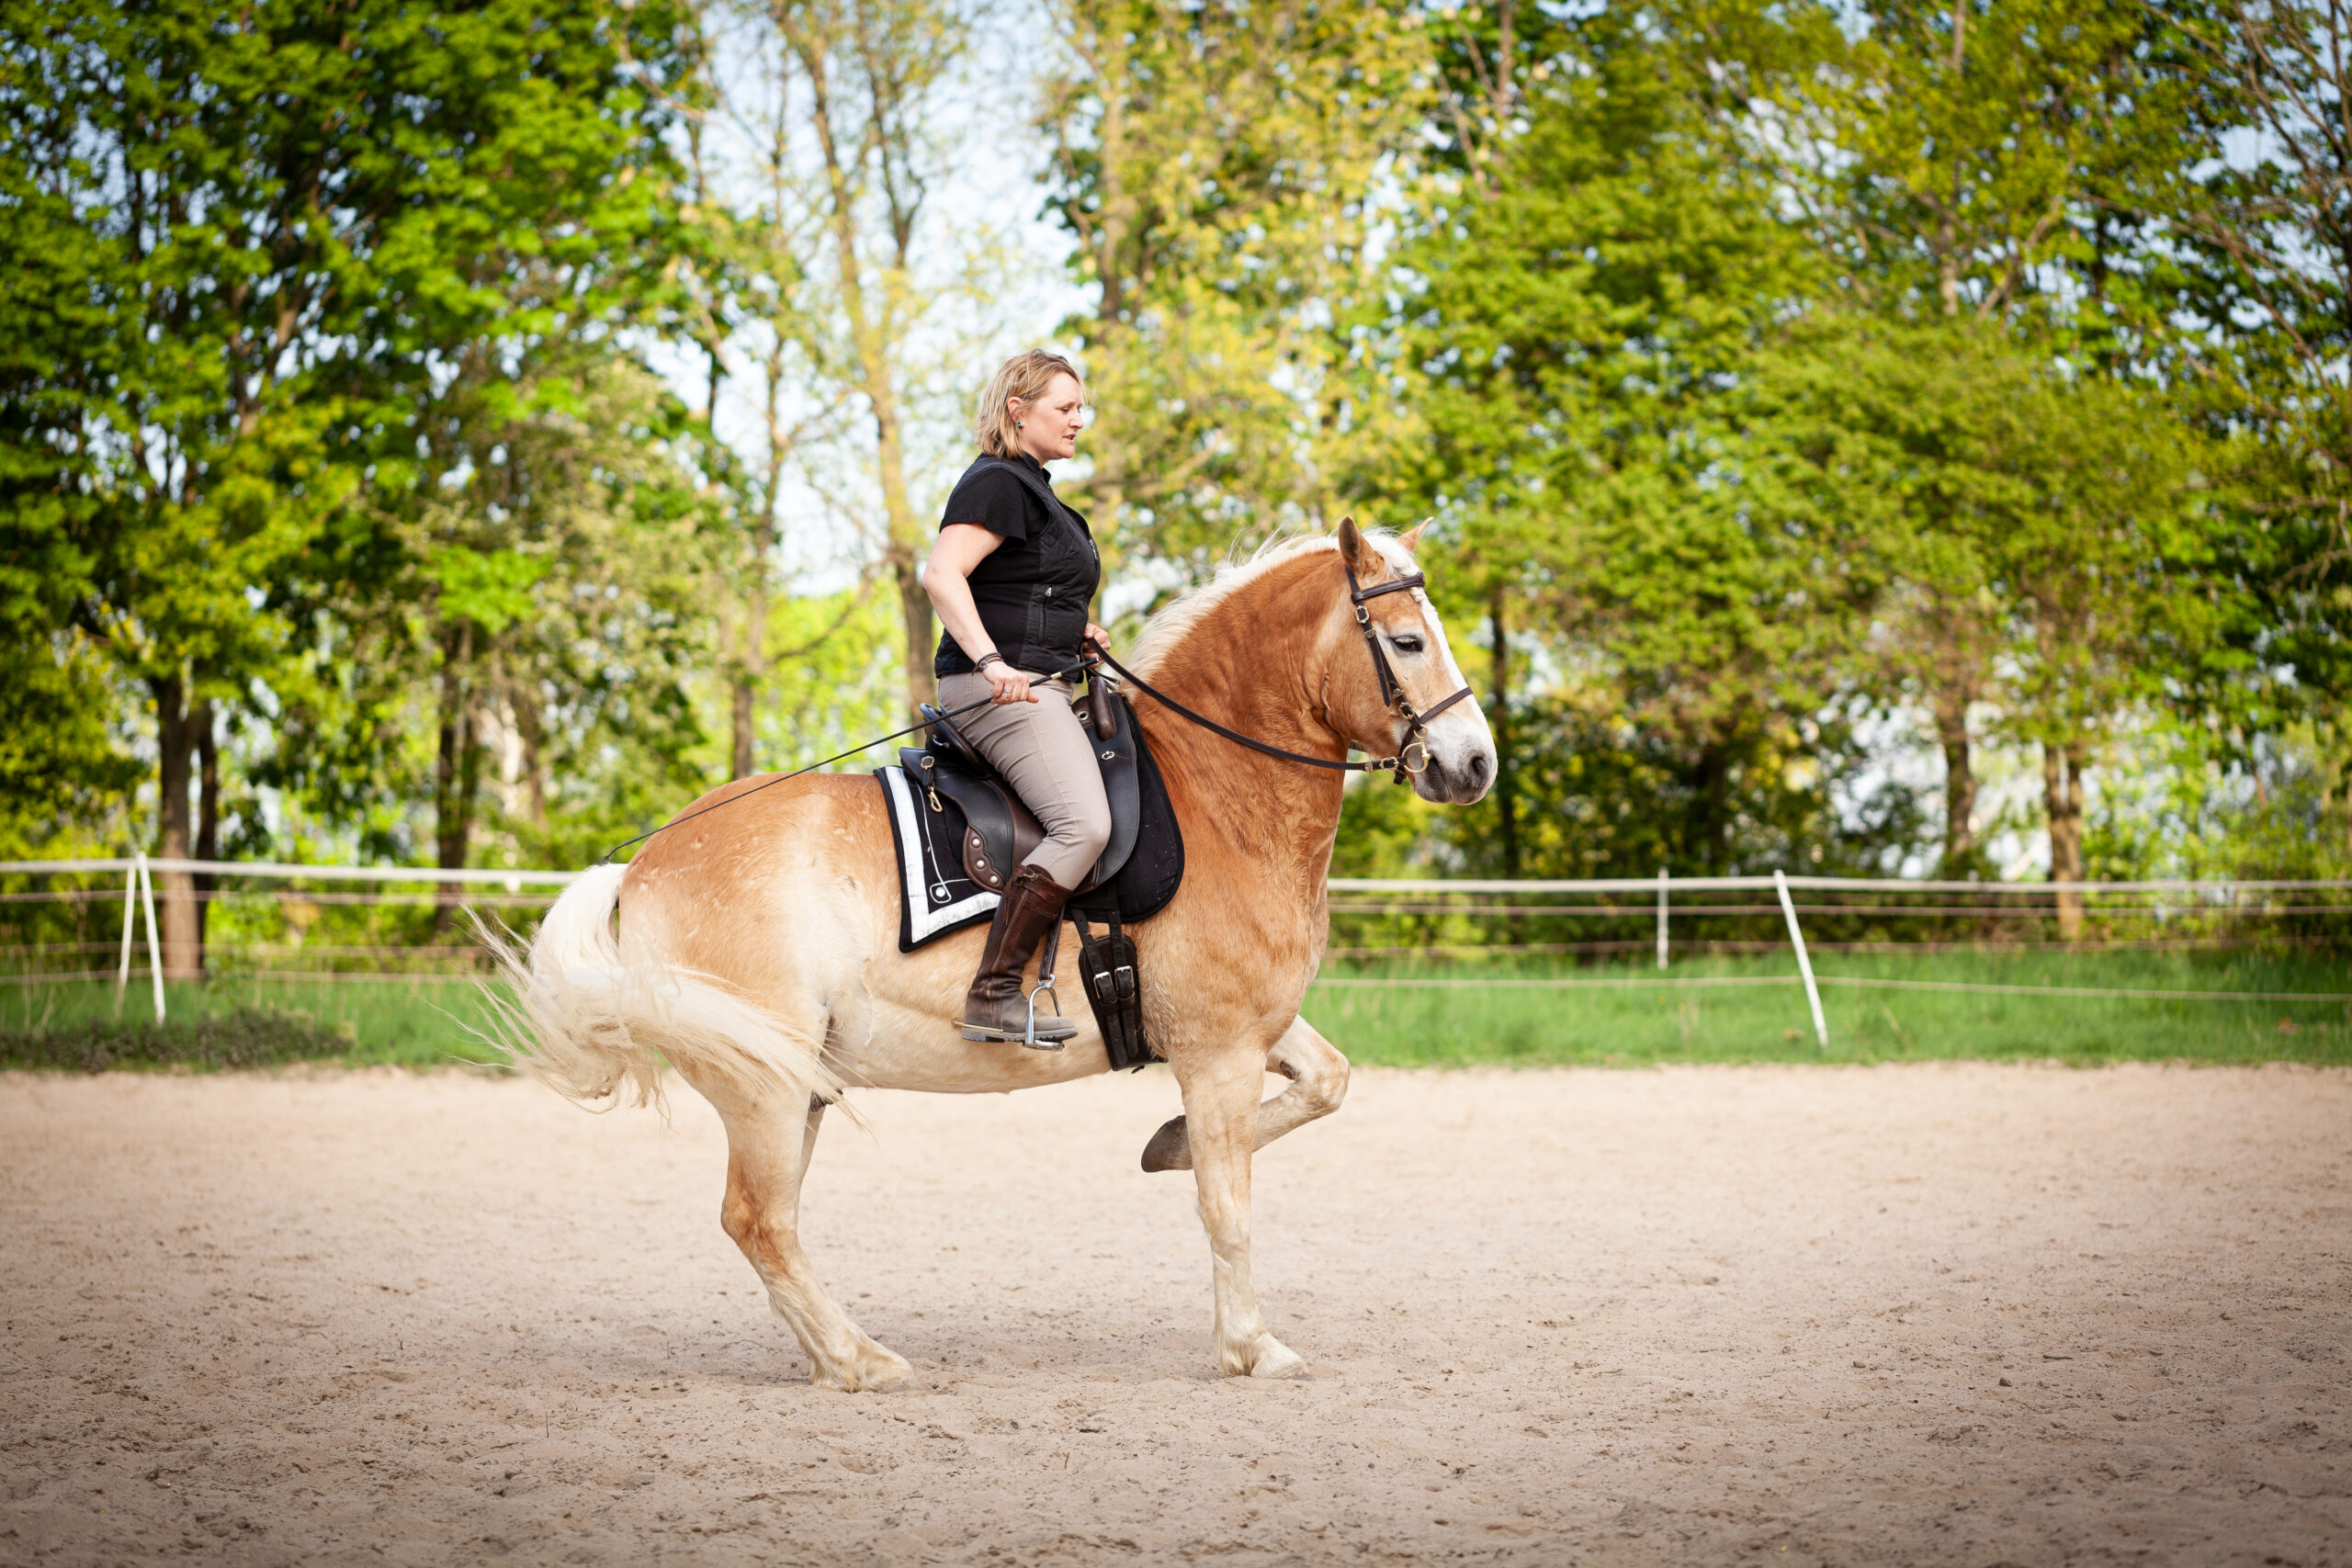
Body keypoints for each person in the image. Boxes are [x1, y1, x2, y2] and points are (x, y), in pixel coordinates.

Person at [921, 351, 1111, 1046]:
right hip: (997, 690)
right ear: (1017, 409)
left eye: (1079, 407)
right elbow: (943, 576)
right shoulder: (998, 481)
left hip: (1046, 679)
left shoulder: (1040, 491)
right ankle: (993, 992)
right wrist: (992, 659)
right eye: (1065, 408)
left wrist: (1075, 631)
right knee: (1085, 824)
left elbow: (1025, 588)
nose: (1078, 420)